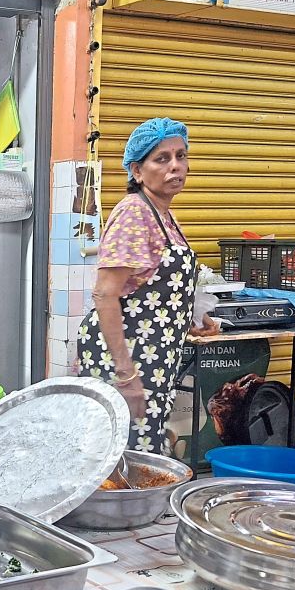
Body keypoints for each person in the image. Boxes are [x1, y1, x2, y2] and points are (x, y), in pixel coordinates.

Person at [77, 117, 197, 453]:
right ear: (137, 171)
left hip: (155, 355)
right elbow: (105, 292)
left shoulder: (164, 215)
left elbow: (158, 288)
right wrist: (126, 374)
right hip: (127, 355)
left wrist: (194, 320)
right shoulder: (135, 213)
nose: (176, 166)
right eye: (162, 159)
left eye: (181, 156)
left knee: (141, 444)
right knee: (118, 450)